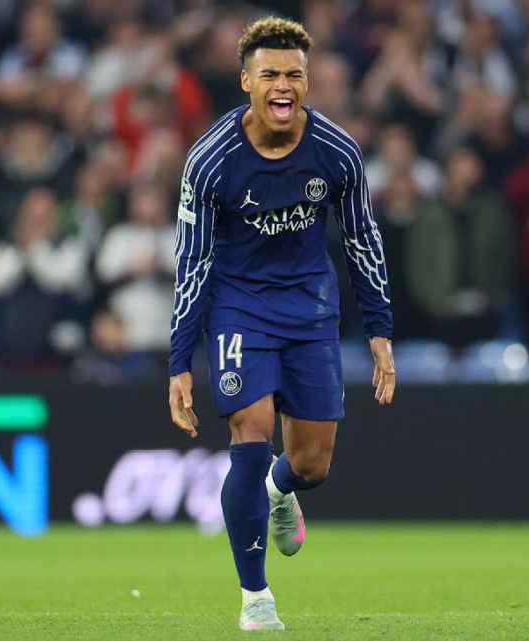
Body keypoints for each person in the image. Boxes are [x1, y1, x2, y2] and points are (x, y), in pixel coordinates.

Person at [165, 17, 396, 632]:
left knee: (312, 465)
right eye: (270, 74)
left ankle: (279, 487)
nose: (283, 85)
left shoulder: (338, 152)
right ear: (246, 81)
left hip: (310, 310)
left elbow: (362, 240)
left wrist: (379, 331)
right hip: (238, 309)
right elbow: (192, 262)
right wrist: (179, 360)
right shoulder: (211, 161)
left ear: (307, 80)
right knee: (250, 435)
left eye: (294, 74)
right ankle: (255, 596)